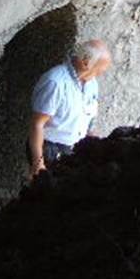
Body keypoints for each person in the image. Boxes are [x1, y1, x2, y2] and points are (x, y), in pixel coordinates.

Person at [26, 39, 112, 177]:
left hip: (74, 149)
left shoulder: (92, 84)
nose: (100, 74)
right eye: (99, 70)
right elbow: (37, 124)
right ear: (85, 63)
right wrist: (38, 164)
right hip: (50, 149)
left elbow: (88, 123)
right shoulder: (55, 82)